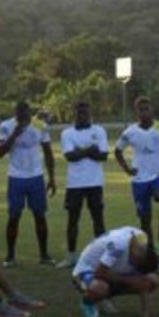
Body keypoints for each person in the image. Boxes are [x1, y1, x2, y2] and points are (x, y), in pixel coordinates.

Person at [114, 96, 159, 264]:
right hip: (139, 180)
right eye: (141, 109)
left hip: (158, 177)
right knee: (145, 219)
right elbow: (118, 151)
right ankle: (152, 251)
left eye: (147, 109)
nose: (144, 112)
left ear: (152, 110)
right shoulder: (130, 131)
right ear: (136, 112)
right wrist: (127, 169)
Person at [0, 101, 56, 266]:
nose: (23, 117)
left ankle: (44, 255)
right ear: (15, 114)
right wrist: (15, 134)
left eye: (26, 114)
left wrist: (52, 178)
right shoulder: (7, 126)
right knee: (14, 217)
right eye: (19, 115)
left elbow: (48, 153)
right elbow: (0, 152)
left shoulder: (40, 125)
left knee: (40, 216)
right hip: (16, 177)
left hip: (36, 176)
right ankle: (10, 256)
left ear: (30, 113)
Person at [70, 225, 159, 317]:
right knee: (100, 287)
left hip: (109, 270)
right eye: (135, 265)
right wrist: (130, 280)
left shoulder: (142, 240)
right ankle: (87, 302)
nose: (133, 267)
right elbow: (99, 273)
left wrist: (145, 312)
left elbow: (143, 282)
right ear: (137, 258)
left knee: (153, 280)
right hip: (86, 270)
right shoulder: (118, 246)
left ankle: (103, 298)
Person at [59, 101, 109, 268]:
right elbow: (70, 156)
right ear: (74, 114)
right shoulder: (67, 133)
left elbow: (103, 156)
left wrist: (80, 151)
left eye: (85, 113)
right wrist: (89, 150)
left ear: (90, 114)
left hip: (95, 182)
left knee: (98, 219)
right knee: (73, 220)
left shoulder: (99, 130)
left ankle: (101, 257)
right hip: (74, 184)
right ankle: (71, 256)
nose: (83, 116)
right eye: (79, 113)